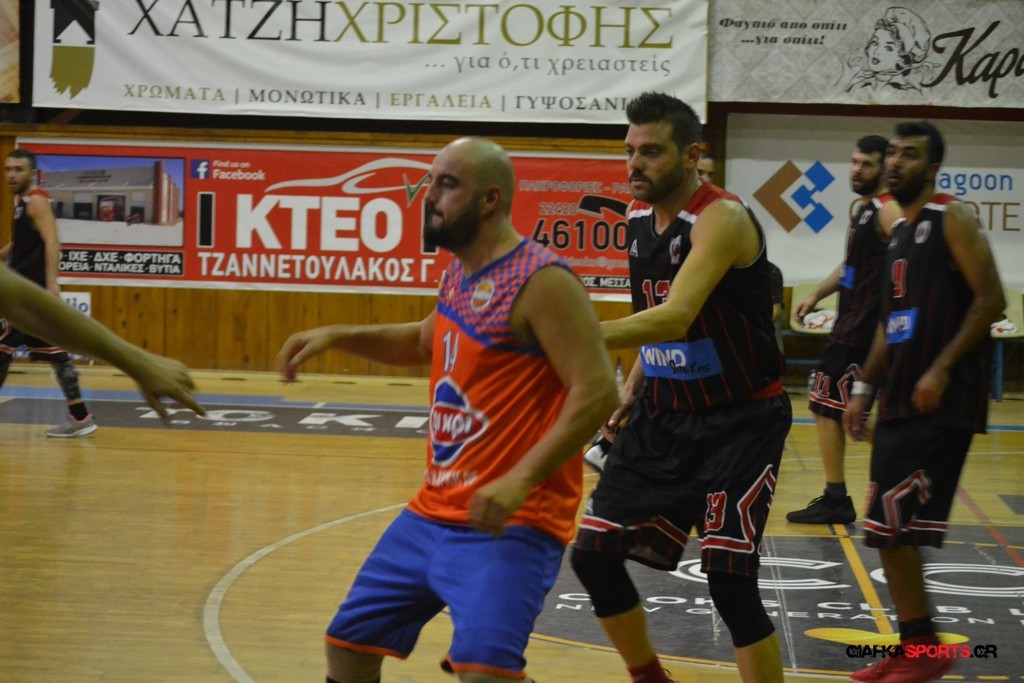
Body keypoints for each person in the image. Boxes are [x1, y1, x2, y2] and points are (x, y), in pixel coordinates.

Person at [275, 137, 618, 683]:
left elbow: (597, 391)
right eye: (430, 182)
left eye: (447, 184)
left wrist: (520, 480)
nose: (428, 196)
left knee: (483, 674)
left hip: (512, 520)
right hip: (432, 510)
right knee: (348, 644)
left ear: (489, 200)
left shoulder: (542, 280)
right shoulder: (461, 272)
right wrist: (338, 334)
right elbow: (421, 341)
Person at [570, 92, 790, 683]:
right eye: (629, 151)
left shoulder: (722, 217)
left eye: (651, 152)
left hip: (741, 421)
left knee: (730, 583)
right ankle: (650, 677)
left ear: (692, 155)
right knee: (592, 555)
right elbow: (656, 316)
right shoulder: (636, 219)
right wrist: (633, 385)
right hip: (665, 415)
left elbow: (676, 316)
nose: (634, 164)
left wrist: (565, 334)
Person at [843, 122, 1004, 682]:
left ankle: (925, 650)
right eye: (892, 153)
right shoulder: (898, 231)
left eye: (909, 156)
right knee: (884, 529)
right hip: (900, 396)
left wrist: (940, 368)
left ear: (932, 169)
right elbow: (890, 322)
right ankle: (916, 644)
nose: (895, 163)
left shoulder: (950, 216)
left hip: (942, 400)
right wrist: (863, 388)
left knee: (893, 526)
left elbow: (991, 299)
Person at [786, 135, 901, 525]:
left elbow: (916, 257)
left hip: (866, 332)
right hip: (850, 325)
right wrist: (816, 293)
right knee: (830, 407)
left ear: (884, 169)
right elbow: (851, 266)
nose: (856, 170)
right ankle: (840, 495)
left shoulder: (888, 210)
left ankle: (841, 496)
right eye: (853, 162)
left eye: (866, 164)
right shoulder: (864, 211)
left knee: (829, 407)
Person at [0, 263, 204, 417]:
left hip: (29, 287)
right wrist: (139, 364)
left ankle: (79, 414)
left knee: (52, 356)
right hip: (25, 291)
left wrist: (140, 364)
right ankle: (79, 414)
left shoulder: (38, 217)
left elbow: (24, 305)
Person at [1, 148, 97, 437]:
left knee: (2, 348)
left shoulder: (37, 201)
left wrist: (52, 283)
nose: (11, 175)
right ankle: (80, 417)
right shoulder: (22, 202)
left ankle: (81, 418)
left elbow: (53, 242)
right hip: (27, 294)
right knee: (57, 355)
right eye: (7, 169)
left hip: (31, 295)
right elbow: (21, 244)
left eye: (18, 169)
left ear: (32, 173)